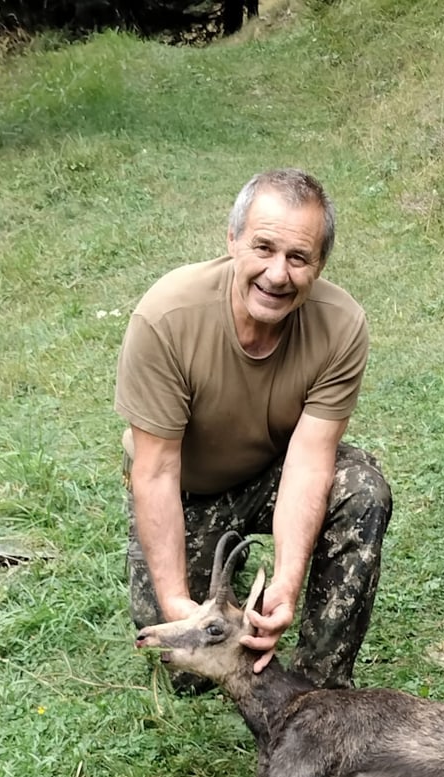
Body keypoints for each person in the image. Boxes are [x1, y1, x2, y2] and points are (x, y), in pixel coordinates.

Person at [115, 168, 391, 690]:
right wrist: (181, 608)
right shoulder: (166, 317)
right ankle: (215, 571)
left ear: (319, 265)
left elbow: (310, 461)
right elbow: (154, 471)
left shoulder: (341, 325)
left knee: (361, 489)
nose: (278, 274)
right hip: (187, 490)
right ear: (232, 241)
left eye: (298, 257)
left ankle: (321, 687)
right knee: (188, 676)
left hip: (272, 472)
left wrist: (285, 585)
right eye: (263, 248)